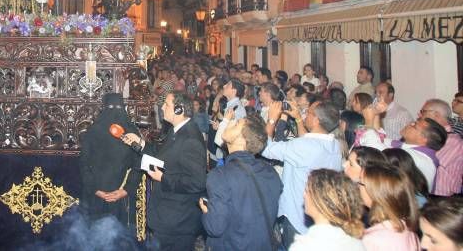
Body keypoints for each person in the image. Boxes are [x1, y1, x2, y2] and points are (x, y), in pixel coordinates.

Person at [122, 92, 207, 251]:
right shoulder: (177, 131)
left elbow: (197, 182)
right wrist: (139, 142)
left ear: (179, 110)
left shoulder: (190, 139)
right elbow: (161, 154)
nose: (162, 107)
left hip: (178, 222)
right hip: (169, 218)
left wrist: (163, 177)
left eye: (166, 104)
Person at [261, 101, 344, 248]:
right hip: (320, 215)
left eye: (309, 112)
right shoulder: (334, 145)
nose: (305, 113)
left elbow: (265, 148)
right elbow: (308, 141)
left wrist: (272, 119)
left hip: (297, 218)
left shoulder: (304, 147)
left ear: (316, 120)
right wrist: (299, 119)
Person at [199, 114, 281, 251]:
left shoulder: (220, 176)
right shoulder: (270, 172)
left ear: (242, 140)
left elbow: (215, 227)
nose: (230, 123)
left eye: (236, 123)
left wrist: (207, 212)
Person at [79, 93, 142, 228]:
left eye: (117, 108)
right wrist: (124, 190)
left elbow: (83, 165)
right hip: (116, 196)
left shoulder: (92, 131)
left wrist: (96, 189)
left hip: (104, 196)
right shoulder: (132, 132)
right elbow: (138, 166)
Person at [289, 169, 365, 251]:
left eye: (307, 191)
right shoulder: (357, 244)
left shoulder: (304, 246)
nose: (304, 195)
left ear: (319, 202)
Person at [358, 163, 421, 250]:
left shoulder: (371, 240)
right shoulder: (411, 233)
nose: (357, 186)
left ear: (376, 193)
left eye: (360, 182)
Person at [418, 99, 463, 196]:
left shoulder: (452, 141)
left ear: (437, 115)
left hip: (442, 200)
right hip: (427, 195)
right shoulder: (429, 137)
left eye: (423, 112)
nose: (419, 115)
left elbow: (428, 163)